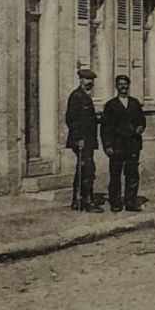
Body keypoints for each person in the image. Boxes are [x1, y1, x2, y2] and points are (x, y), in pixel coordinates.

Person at [100, 74, 146, 212]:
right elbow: (105, 128)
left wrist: (141, 127)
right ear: (116, 86)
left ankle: (130, 202)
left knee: (132, 174)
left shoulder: (135, 103)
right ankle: (115, 203)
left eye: (125, 84)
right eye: (120, 84)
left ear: (129, 85)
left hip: (133, 144)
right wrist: (107, 146)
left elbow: (142, 120)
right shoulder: (111, 105)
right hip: (117, 145)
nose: (123, 87)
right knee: (115, 175)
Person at [63, 67, 99, 211]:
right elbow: (71, 120)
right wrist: (79, 138)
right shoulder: (76, 96)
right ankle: (86, 201)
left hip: (88, 139)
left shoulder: (86, 96)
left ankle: (77, 200)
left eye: (91, 80)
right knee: (87, 168)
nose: (89, 82)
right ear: (80, 80)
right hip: (81, 140)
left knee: (84, 168)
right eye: (86, 79)